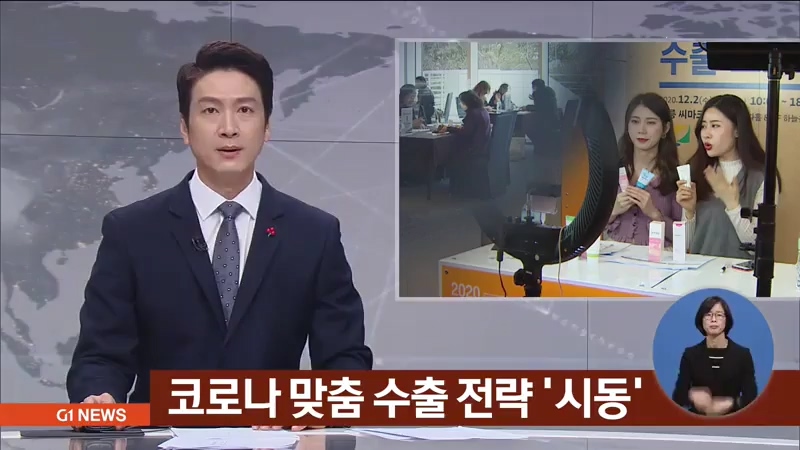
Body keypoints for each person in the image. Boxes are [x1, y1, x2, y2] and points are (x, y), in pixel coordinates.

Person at [66, 41, 373, 430]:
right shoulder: (131, 231)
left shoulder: (314, 234)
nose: (229, 128)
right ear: (184, 128)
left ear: (266, 126)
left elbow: (345, 357)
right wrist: (99, 397)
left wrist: (320, 405)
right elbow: (100, 355)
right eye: (210, 110)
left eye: (245, 110)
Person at [675, 94, 782, 258]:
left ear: (737, 130)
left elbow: (758, 245)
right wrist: (689, 212)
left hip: (741, 272)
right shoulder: (697, 170)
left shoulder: (763, 177)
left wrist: (732, 205)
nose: (706, 134)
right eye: (704, 126)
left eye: (715, 126)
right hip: (700, 271)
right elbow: (686, 245)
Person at [606, 93, 683, 246]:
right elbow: (590, 226)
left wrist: (654, 214)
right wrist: (613, 211)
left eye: (651, 123)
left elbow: (684, 239)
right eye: (635, 121)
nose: (641, 130)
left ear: (665, 128)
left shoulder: (675, 177)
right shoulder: (611, 170)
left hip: (658, 258)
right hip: (613, 256)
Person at [671, 296, 758, 416]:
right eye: (708, 315)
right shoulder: (690, 355)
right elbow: (678, 397)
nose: (713, 319)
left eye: (719, 315)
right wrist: (691, 395)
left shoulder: (742, 355)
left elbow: (751, 397)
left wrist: (732, 403)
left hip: (732, 419)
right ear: (701, 320)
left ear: (727, 320)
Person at [446, 90, 492, 197]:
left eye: (462, 102)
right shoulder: (483, 111)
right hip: (482, 147)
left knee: (450, 154)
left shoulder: (473, 113)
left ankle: (457, 188)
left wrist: (449, 128)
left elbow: (466, 132)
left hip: (473, 150)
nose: (460, 105)